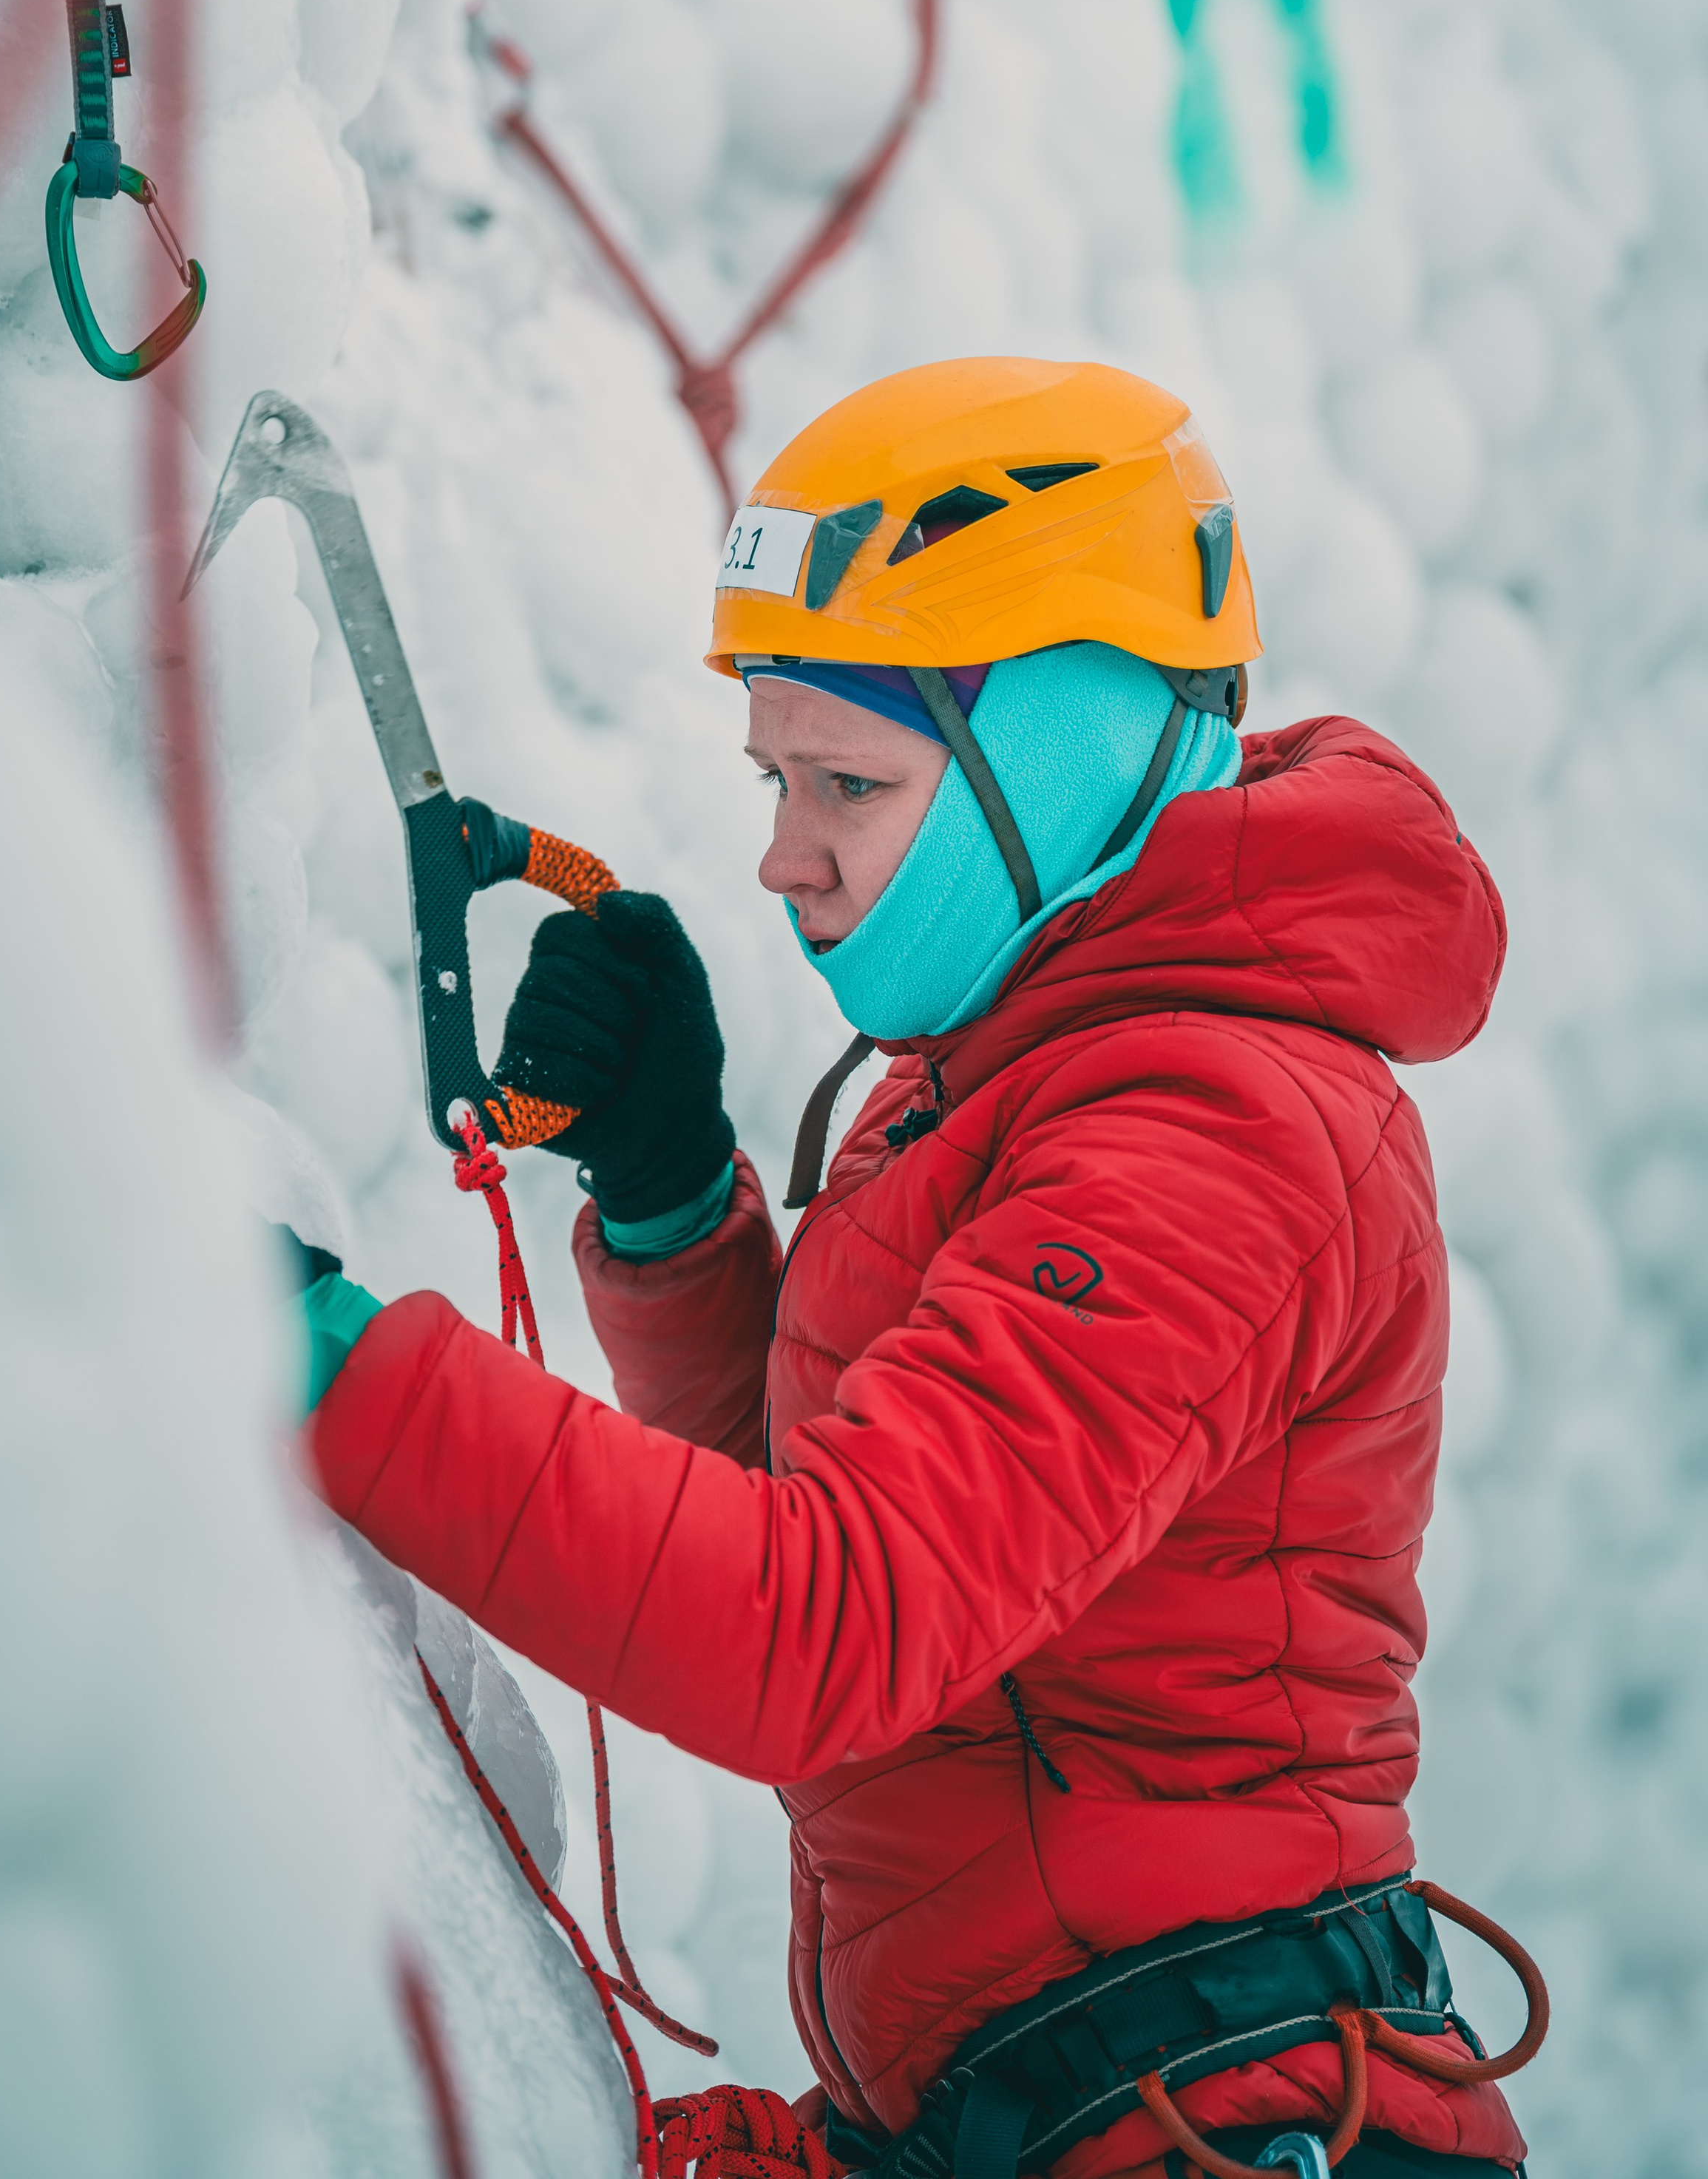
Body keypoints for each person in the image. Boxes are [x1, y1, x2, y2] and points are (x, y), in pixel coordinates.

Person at [289, 358, 1530, 2179]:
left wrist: (306, 1355)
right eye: (773, 774)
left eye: (848, 783)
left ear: (1063, 755)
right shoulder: (1021, 1059)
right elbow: (857, 1541)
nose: (782, 858)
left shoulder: (1216, 1132)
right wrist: (672, 1209)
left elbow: (817, 1629)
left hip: (1209, 2117)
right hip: (1050, 2103)